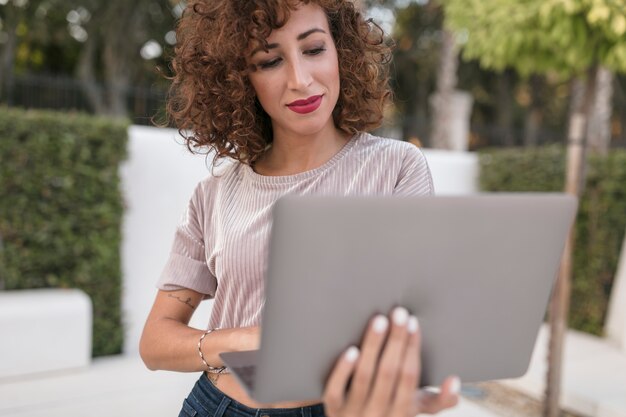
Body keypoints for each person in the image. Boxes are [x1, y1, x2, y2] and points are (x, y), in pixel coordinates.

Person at [140, 1, 461, 416]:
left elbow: (416, 316)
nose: (300, 79)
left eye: (313, 50)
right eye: (270, 60)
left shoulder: (396, 169)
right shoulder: (215, 193)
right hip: (217, 405)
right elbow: (155, 342)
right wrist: (239, 342)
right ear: (240, 79)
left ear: (341, 51)